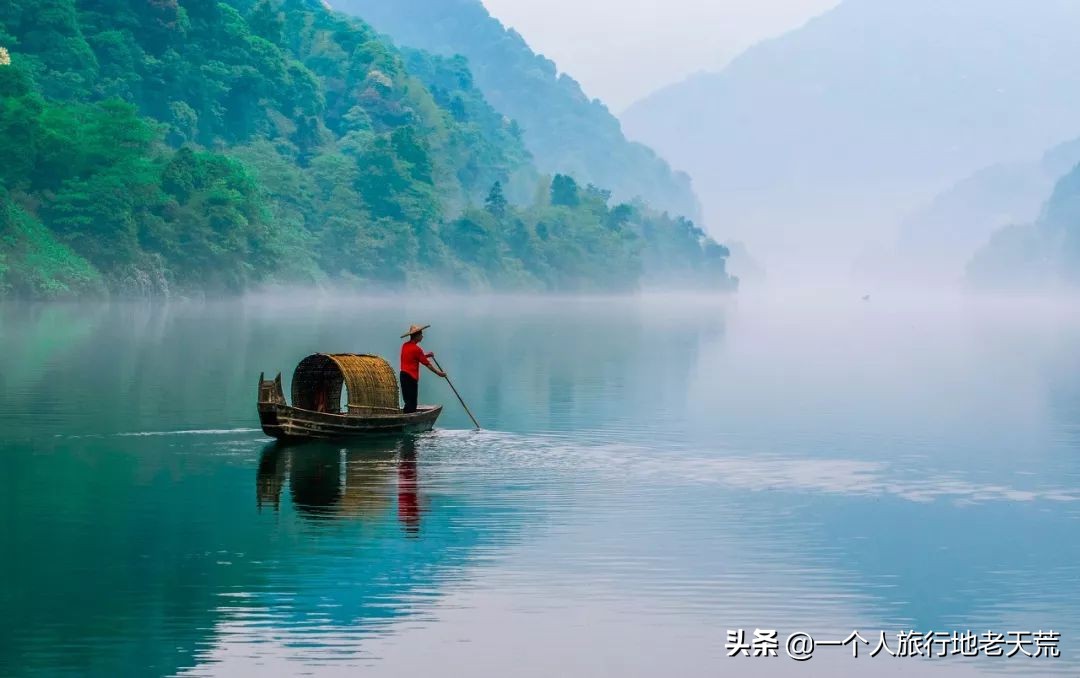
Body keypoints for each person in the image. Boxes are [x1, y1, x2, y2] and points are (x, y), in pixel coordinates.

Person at [399, 324, 445, 413]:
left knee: (408, 401)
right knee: (412, 402)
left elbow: (416, 357)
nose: (422, 336)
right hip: (410, 377)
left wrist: (428, 355)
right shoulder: (417, 349)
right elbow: (427, 364)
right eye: (421, 335)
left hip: (403, 375)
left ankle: (406, 417)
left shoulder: (405, 345)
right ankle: (409, 421)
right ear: (416, 336)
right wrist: (438, 373)